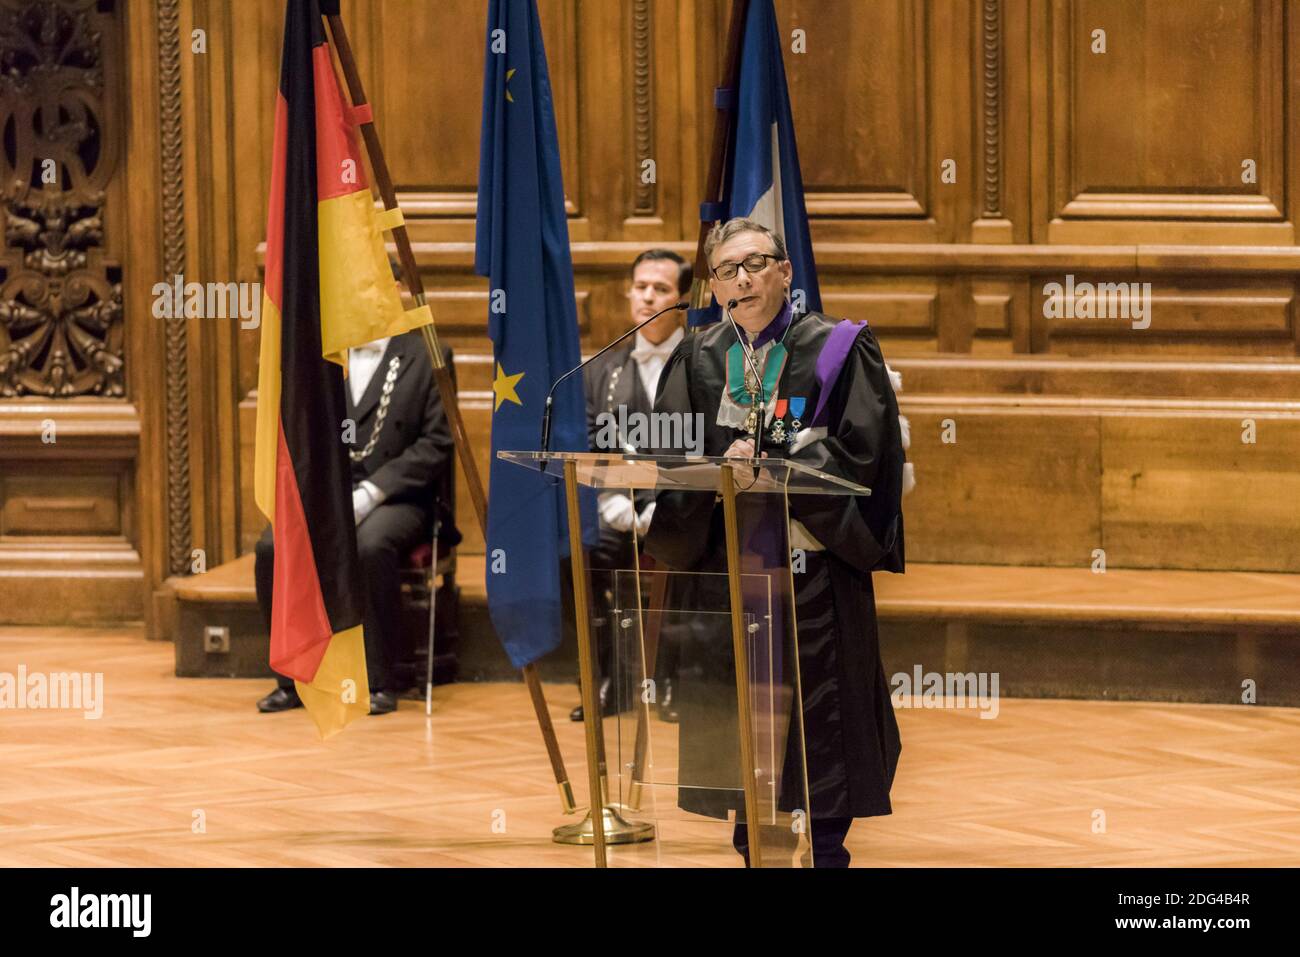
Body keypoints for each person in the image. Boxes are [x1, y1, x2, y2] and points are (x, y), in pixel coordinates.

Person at [643, 217, 906, 867]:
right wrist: (717, 468)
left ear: (786, 272)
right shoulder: (697, 355)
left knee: (823, 729)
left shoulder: (841, 348)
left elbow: (866, 457)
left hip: (812, 569)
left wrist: (779, 460)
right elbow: (669, 456)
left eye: (757, 263)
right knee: (740, 732)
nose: (743, 278)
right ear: (714, 285)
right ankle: (752, 848)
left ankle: (825, 852)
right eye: (728, 270)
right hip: (731, 573)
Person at [255, 297, 455, 716]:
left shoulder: (426, 355)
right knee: (271, 546)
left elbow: (436, 444)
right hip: (329, 491)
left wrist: (371, 493)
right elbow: (303, 432)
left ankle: (383, 676)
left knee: (368, 545)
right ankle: (294, 676)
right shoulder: (325, 351)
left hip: (399, 498)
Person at [569, 249, 691, 723]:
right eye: (640, 287)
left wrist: (667, 505)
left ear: (682, 301)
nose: (647, 297)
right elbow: (590, 446)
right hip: (618, 506)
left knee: (693, 552)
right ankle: (612, 679)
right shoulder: (601, 369)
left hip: (684, 508)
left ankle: (679, 680)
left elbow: (711, 444)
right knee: (578, 554)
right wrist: (612, 497)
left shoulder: (702, 363)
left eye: (660, 289)